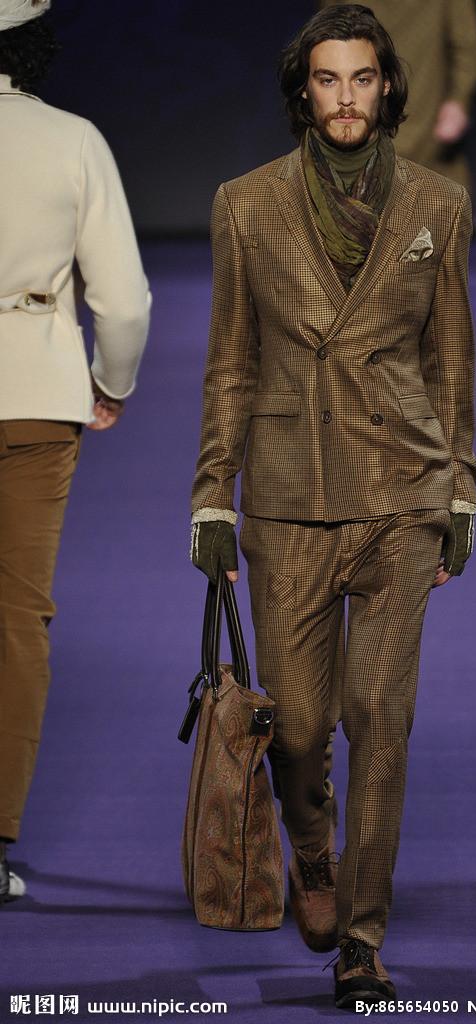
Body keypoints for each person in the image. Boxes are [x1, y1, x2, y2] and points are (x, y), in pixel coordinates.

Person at [191, 4, 476, 1008]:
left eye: (361, 78)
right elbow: (230, 360)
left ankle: (361, 937)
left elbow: (450, 361)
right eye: (327, 79)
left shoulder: (438, 204)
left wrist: (459, 488)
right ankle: (310, 844)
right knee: (301, 727)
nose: (346, 97)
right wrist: (211, 496)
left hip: (400, 490)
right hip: (288, 495)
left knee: (378, 719)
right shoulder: (245, 205)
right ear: (303, 91)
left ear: (386, 86)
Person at [0, 0, 150, 902]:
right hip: (33, 396)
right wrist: (110, 383)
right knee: (16, 619)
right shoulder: (71, 139)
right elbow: (122, 300)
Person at [321, 0, 476, 191]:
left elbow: (469, 49)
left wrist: (458, 102)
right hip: (362, 142)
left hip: (427, 139)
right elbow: (326, 45)